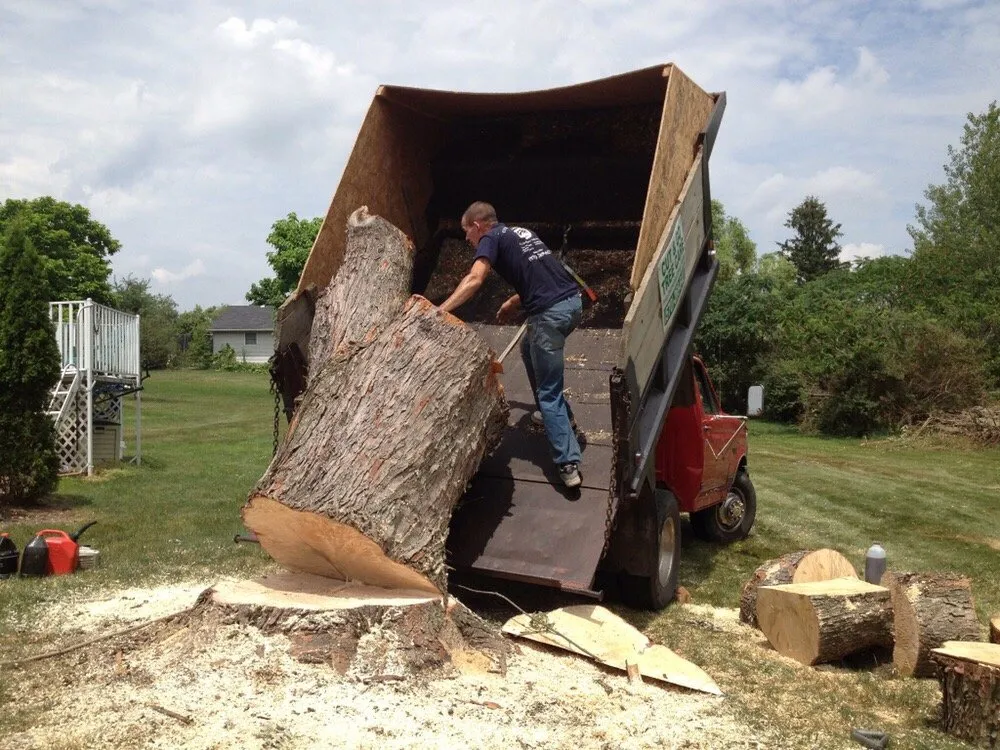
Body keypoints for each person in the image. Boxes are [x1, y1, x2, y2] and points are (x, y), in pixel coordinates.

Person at [440, 201, 583, 488]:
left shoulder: (490, 238)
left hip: (550, 316)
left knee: (548, 392)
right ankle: (559, 416)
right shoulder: (522, 234)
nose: (467, 240)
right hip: (572, 304)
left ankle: (568, 463)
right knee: (528, 347)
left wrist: (441, 310)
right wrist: (512, 303)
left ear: (478, 226)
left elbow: (474, 279)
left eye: (467, 232)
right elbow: (542, 277)